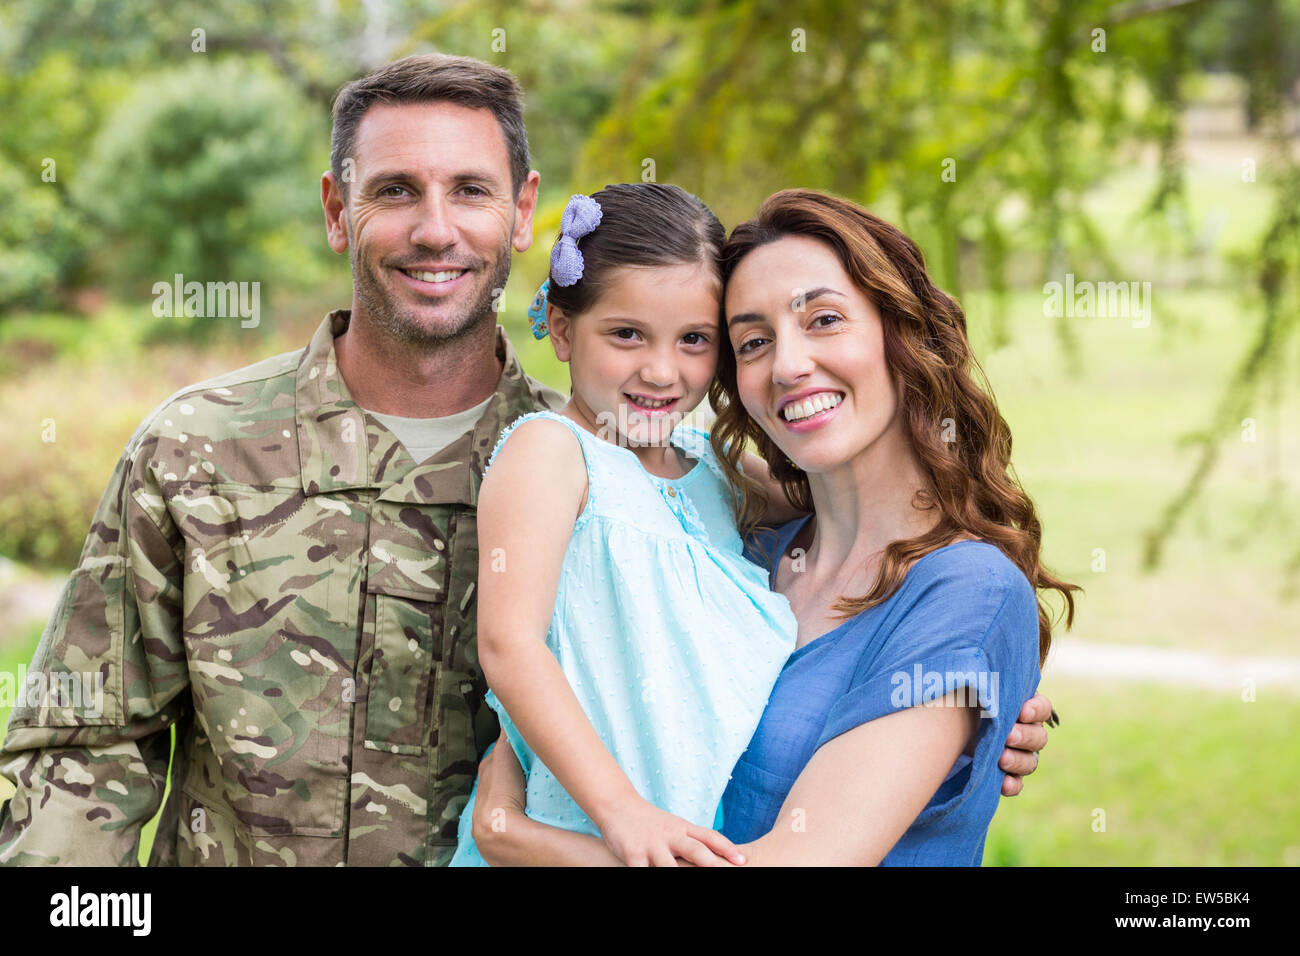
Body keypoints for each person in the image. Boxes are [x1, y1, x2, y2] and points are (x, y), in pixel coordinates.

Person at [0, 53, 564, 866]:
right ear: (338, 211)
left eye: (471, 190)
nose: (435, 229)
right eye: (395, 190)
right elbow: (86, 751)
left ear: (522, 211)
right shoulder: (194, 451)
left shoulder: (587, 474)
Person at [469, 189, 1074, 865]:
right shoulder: (750, 546)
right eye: (754, 341)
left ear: (901, 333)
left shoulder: (963, 591)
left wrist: (517, 838)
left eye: (823, 319)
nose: (787, 365)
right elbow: (564, 647)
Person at [451, 184, 807, 867]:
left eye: (694, 341)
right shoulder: (553, 452)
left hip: (688, 834)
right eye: (626, 334)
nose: (661, 370)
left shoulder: (716, 470)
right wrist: (623, 813)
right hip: (580, 830)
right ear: (560, 329)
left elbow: (860, 517)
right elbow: (510, 644)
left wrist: (969, 679)